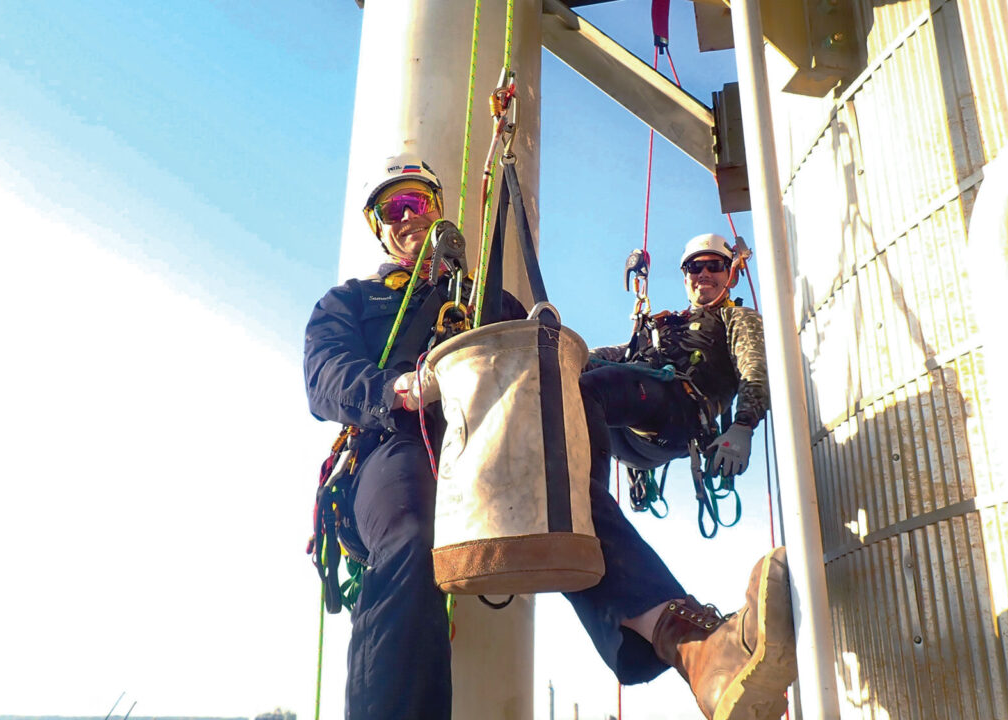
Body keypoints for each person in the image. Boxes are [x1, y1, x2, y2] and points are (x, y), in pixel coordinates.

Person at [304, 152, 796, 720]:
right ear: (378, 226)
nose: (409, 216)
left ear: (438, 209)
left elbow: (535, 365)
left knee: (570, 506)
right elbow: (326, 377)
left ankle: (697, 648)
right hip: (396, 444)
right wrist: (399, 390)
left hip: (489, 446)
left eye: (420, 201)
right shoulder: (350, 302)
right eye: (394, 208)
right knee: (411, 534)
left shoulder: (485, 300)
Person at [580, 234, 769, 505]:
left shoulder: (735, 318)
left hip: (676, 415)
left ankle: (591, 511)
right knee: (565, 384)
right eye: (694, 268)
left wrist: (744, 425)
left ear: (731, 276)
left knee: (589, 389)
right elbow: (616, 353)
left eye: (714, 266)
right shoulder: (666, 322)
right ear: (685, 278)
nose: (703, 273)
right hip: (626, 426)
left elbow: (753, 366)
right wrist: (566, 356)